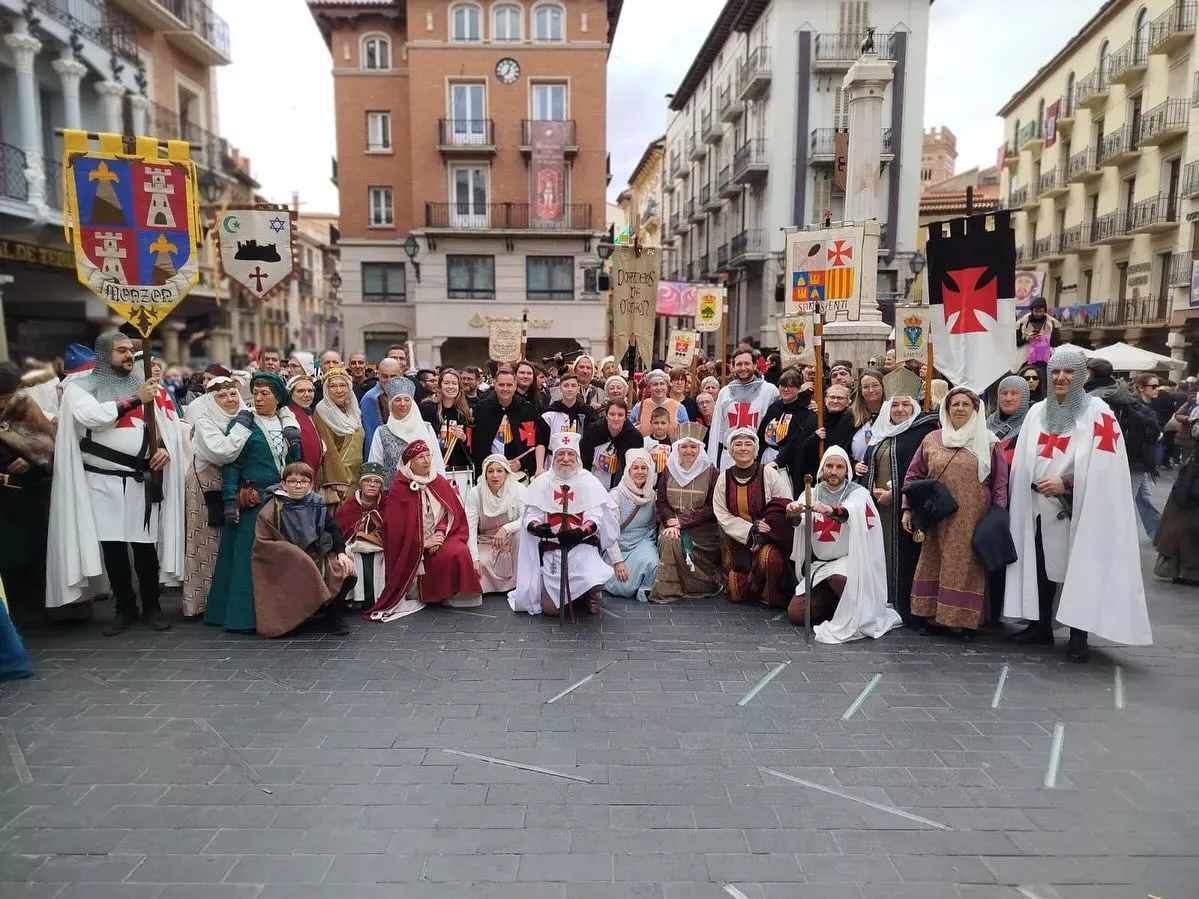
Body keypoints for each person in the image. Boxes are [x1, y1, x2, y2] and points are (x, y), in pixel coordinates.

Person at [1006, 348, 1152, 662]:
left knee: (1080, 570)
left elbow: (1106, 467)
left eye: (1068, 372)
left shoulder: (1098, 412)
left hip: (1077, 508)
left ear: (1081, 376)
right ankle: (1040, 627)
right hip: (1037, 506)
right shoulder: (1037, 412)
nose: (1061, 378)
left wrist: (1066, 483)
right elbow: (1024, 459)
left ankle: (1078, 635)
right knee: (1040, 568)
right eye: (1056, 372)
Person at [47, 332, 185, 633]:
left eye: (130, 350)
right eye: (121, 350)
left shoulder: (145, 385)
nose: (128, 355)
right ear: (103, 354)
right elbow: (92, 417)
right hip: (102, 481)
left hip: (140, 480)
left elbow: (165, 427)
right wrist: (137, 399)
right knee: (113, 549)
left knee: (145, 549)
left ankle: (152, 608)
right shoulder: (80, 388)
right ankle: (124, 609)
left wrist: (164, 448)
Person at [902, 387, 1009, 636]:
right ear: (947, 409)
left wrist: (998, 517)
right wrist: (908, 508)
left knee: (965, 566)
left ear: (975, 410)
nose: (960, 408)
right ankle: (932, 616)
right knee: (934, 560)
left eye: (966, 404)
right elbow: (913, 475)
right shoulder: (932, 439)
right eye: (955, 404)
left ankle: (961, 620)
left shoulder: (989, 442)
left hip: (972, 517)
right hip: (936, 515)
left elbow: (1000, 484)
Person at [205, 372, 303, 633]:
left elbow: (295, 464)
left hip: (282, 501)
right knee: (248, 560)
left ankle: (283, 614)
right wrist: (230, 499)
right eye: (255, 393)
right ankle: (245, 618)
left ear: (278, 397)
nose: (258, 398)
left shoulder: (288, 425)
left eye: (265, 393)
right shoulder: (243, 425)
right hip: (254, 501)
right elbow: (232, 465)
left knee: (280, 560)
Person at [787, 446, 901, 643]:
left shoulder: (858, 494)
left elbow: (851, 511)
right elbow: (800, 522)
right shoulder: (811, 493)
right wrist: (793, 513)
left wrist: (830, 510)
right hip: (821, 565)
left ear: (847, 469)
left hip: (849, 562)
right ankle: (836, 603)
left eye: (839, 467)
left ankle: (855, 609)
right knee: (797, 614)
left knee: (839, 578)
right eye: (829, 466)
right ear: (822, 468)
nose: (833, 471)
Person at [369, 440, 483, 620]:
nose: (427, 461)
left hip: (442, 535)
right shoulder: (400, 487)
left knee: (458, 551)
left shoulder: (438, 481)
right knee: (438, 557)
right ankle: (430, 596)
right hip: (414, 543)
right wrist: (423, 543)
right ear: (410, 463)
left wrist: (440, 533)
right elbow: (396, 529)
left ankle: (451, 596)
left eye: (428, 456)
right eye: (421, 457)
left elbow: (451, 512)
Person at [510, 431, 619, 617]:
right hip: (553, 550)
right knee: (550, 610)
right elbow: (531, 515)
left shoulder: (589, 482)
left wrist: (579, 532)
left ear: (577, 458)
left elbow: (596, 516)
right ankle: (573, 595)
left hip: (582, 547)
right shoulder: (542, 482)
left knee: (593, 576)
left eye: (570, 454)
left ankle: (590, 593)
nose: (566, 459)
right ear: (554, 458)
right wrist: (537, 527)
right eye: (561, 454)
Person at [251, 461, 354, 636]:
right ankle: (294, 619)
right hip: (283, 558)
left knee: (344, 569)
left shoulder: (317, 503)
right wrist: (293, 553)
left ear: (311, 484)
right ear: (284, 484)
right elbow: (264, 540)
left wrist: (341, 553)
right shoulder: (272, 507)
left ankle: (333, 617)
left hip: (314, 551)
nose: (298, 485)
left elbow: (333, 529)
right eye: (292, 481)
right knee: (301, 567)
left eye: (303, 481)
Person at [863, 394, 938, 623]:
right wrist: (864, 475)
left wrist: (896, 493)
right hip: (878, 507)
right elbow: (872, 462)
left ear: (914, 407)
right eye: (894, 405)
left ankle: (903, 606)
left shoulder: (922, 433)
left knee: (905, 557)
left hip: (905, 506)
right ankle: (881, 601)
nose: (900, 409)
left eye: (906, 404)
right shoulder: (881, 432)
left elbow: (925, 471)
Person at [182, 377, 253, 619]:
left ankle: (227, 600)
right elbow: (223, 452)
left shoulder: (243, 416)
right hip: (206, 487)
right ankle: (202, 603)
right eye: (222, 396)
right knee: (206, 544)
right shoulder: (205, 423)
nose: (230, 399)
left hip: (232, 486)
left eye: (233, 394)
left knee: (228, 543)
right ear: (212, 400)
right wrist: (242, 427)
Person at [0, 363, 56, 627]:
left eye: (8, 398)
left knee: (32, 552)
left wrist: (31, 460)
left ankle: (34, 609)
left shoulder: (26, 408)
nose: (4, 404)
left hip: (27, 494)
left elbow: (47, 444)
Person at [714, 427, 793, 607]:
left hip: (767, 539)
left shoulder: (769, 474)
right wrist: (749, 529)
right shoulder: (723, 479)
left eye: (748, 444)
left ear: (755, 449)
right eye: (738, 444)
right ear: (731, 450)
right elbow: (722, 514)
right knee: (736, 592)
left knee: (770, 559)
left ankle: (768, 593)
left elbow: (784, 504)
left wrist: (765, 529)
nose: (743, 448)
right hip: (738, 541)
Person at [1085, 360, 1161, 539]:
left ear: (1091, 374)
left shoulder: (1103, 399)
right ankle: (1158, 533)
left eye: (1157, 386)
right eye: (1154, 386)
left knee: (1124, 502)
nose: (1157, 389)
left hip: (1130, 460)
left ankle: (1119, 539)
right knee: (1142, 497)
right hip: (1135, 459)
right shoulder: (1122, 394)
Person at [649, 425, 721, 603]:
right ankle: (668, 590)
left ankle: (696, 586)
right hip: (671, 523)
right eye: (684, 446)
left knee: (677, 539)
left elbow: (712, 506)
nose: (689, 451)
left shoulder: (711, 472)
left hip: (701, 529)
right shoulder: (669, 469)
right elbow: (661, 500)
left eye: (693, 446)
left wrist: (682, 522)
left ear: (700, 448)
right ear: (678, 448)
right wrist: (671, 521)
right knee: (670, 539)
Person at [465, 454, 526, 595]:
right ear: (485, 474)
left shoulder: (518, 489)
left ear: (506, 473)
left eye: (500, 471)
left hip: (511, 538)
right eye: (490, 471)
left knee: (521, 535)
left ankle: (518, 584)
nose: (495, 475)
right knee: (479, 565)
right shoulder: (476, 493)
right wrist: (474, 558)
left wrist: (506, 529)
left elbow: (525, 518)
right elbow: (470, 528)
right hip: (488, 541)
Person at [603, 449, 659, 602]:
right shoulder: (616, 495)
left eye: (644, 468)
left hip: (642, 542)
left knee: (651, 562)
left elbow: (652, 525)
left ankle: (645, 589)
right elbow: (609, 532)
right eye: (635, 468)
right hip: (619, 545)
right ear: (628, 471)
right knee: (623, 587)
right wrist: (618, 562)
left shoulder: (652, 495)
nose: (640, 472)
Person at [708, 350, 780, 468]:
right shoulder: (725, 393)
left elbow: (784, 416)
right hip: (729, 458)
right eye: (739, 364)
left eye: (747, 364)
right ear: (732, 367)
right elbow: (718, 430)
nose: (743, 368)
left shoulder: (770, 391)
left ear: (755, 365)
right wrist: (714, 462)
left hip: (758, 457)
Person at [369, 377, 443, 490]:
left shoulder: (426, 428)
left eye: (407, 400)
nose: (403, 404)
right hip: (393, 494)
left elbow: (437, 463)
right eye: (398, 400)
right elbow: (375, 466)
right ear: (391, 404)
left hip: (425, 492)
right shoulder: (382, 432)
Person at [333, 461, 388, 610]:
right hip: (354, 547)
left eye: (377, 482)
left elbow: (392, 530)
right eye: (368, 481)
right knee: (351, 553)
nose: (372, 485)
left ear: (381, 486)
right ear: (360, 484)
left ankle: (379, 597)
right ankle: (356, 598)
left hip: (381, 547)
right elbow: (341, 533)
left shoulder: (387, 505)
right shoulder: (348, 507)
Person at [471, 367, 543, 482]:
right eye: (501, 385)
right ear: (495, 384)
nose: (505, 389)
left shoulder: (527, 410)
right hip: (489, 473)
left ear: (515, 386)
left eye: (509, 385)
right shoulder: (481, 409)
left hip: (517, 473)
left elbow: (533, 442)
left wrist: (522, 462)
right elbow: (476, 445)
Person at [1153, 414, 1199, 585]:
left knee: (1181, 526)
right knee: (1181, 526)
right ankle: (1182, 570)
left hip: (1191, 478)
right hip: (1192, 479)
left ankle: (1182, 570)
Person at [782, 382, 855, 484]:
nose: (835, 401)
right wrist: (815, 437)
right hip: (814, 474)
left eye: (840, 398)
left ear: (848, 401)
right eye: (832, 397)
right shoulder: (815, 419)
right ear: (825, 399)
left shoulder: (852, 421)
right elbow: (799, 448)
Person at [313, 366, 365, 504]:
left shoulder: (353, 411)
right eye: (333, 386)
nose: (339, 390)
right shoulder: (322, 412)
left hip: (356, 476)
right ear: (326, 389)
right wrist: (338, 480)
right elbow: (328, 449)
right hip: (339, 482)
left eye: (343, 385)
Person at [758, 367, 814, 472]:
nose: (786, 389)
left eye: (790, 386)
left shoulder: (804, 412)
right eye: (783, 385)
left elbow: (795, 441)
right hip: (766, 456)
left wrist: (779, 460)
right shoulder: (774, 407)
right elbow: (761, 433)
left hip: (787, 461)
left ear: (799, 389)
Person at [580, 399, 644, 489]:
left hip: (622, 487)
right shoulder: (593, 431)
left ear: (626, 417)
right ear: (606, 416)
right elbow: (584, 461)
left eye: (620, 415)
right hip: (593, 483)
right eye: (612, 414)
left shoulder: (634, 437)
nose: (616, 418)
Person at [421, 368, 475, 474]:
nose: (450, 387)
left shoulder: (464, 412)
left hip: (458, 469)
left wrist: (463, 437)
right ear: (440, 386)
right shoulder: (427, 408)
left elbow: (472, 443)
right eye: (446, 383)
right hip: (433, 466)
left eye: (454, 383)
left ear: (459, 387)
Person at [359, 357, 403, 454]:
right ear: (378, 375)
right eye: (385, 376)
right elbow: (370, 436)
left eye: (393, 376)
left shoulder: (402, 394)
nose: (389, 380)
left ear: (400, 375)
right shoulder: (371, 398)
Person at [987, 375, 1031, 466]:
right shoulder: (988, 423)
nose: (1008, 398)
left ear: (1024, 397)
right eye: (1004, 393)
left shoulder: (1031, 424)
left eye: (1014, 393)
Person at [631, 370, 689, 438]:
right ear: (649, 387)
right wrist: (633, 430)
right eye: (655, 384)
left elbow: (686, 434)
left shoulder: (679, 408)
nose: (659, 388)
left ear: (667, 386)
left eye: (662, 384)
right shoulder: (639, 407)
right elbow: (629, 431)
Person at [849, 369, 886, 476]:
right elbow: (842, 446)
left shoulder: (892, 414)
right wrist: (853, 465)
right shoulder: (851, 415)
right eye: (865, 387)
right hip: (859, 474)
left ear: (883, 387)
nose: (871, 390)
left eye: (875, 385)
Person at [542, 371, 598, 436]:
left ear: (578, 389)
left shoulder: (588, 412)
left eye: (573, 386)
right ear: (560, 388)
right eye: (566, 386)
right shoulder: (550, 413)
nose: (569, 389)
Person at [1014, 295, 1060, 370]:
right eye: (1035, 311)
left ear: (1044, 310)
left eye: (1041, 311)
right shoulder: (1022, 322)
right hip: (1025, 360)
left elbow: (1057, 343)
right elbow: (1015, 343)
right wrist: (1026, 339)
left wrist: (1044, 339)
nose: (1038, 314)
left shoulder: (1052, 323)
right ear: (1032, 310)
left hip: (1045, 361)